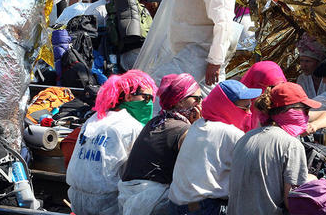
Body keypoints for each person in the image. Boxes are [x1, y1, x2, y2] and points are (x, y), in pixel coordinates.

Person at [66, 70, 158, 215]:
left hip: (77, 202)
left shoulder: (94, 118)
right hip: (108, 205)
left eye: (152, 99)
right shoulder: (132, 126)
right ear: (128, 96)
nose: (150, 104)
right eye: (146, 98)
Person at [168, 80, 262, 215]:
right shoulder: (231, 133)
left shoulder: (198, 124)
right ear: (228, 107)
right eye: (245, 108)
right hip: (205, 207)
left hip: (175, 205)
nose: (249, 113)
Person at [119, 73, 203, 215]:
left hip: (128, 199)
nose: (200, 103)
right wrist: (198, 128)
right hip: (153, 202)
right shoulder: (184, 130)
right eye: (197, 98)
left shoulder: (155, 121)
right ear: (180, 101)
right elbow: (193, 173)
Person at [228, 82, 314, 215]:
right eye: (305, 110)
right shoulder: (291, 145)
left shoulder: (245, 138)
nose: (307, 115)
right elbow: (292, 202)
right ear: (290, 111)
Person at [241, 61, 326, 134]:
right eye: (272, 86)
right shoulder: (241, 113)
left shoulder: (282, 108)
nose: (276, 90)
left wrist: (314, 125)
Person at [295, 34, 326, 99]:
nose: (303, 65)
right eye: (301, 61)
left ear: (318, 63)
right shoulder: (302, 79)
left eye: (308, 61)